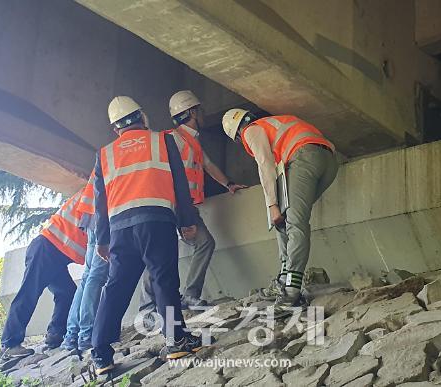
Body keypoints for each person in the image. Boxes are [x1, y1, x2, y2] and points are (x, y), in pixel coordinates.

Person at [91, 96, 207, 375]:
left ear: (115, 128)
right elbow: (179, 183)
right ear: (142, 117)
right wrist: (186, 221)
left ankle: (100, 355)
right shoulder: (161, 141)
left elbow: (100, 201)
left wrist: (102, 240)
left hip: (120, 228)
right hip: (156, 220)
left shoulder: (104, 154)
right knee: (163, 279)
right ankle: (176, 340)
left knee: (116, 286)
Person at [138, 90, 246, 321]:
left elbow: (207, 164)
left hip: (183, 206)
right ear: (192, 112)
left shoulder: (191, 140)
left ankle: (188, 296)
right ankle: (148, 306)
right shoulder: (173, 139)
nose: (204, 113)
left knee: (199, 243)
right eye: (199, 109)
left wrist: (229, 184)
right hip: (172, 205)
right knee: (161, 252)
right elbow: (165, 174)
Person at [221, 110, 338, 313]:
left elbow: (265, 164)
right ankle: (284, 280)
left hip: (303, 157)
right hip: (328, 161)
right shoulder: (273, 123)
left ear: (236, 134)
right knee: (287, 220)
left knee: (294, 222)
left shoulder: (251, 131)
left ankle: (291, 290)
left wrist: (272, 205)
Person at [0, 191, 87, 359]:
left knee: (67, 292)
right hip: (47, 248)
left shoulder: (88, 192)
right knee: (29, 293)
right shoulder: (93, 194)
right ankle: (10, 343)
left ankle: (55, 335)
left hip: (51, 250)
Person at [61, 171, 109, 352]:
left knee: (89, 277)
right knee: (96, 276)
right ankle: (86, 334)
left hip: (91, 216)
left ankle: (72, 335)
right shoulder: (119, 155)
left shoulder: (107, 156)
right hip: (103, 216)